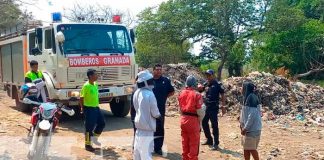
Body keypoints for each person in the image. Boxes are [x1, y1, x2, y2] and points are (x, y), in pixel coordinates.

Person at [133, 70, 161, 160]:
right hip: (147, 128)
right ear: (145, 82)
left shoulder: (136, 92)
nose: (152, 82)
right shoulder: (150, 94)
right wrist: (159, 117)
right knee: (146, 153)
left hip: (139, 126)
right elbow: (155, 113)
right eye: (150, 80)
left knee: (137, 151)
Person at [178, 75, 205, 160]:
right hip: (193, 120)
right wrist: (200, 120)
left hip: (183, 119)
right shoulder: (197, 95)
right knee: (194, 144)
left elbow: (179, 109)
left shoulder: (181, 93)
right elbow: (200, 111)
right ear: (195, 84)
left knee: (185, 142)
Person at [80, 69, 106, 152]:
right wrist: (82, 108)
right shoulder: (86, 86)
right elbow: (81, 98)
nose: (97, 76)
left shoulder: (95, 84)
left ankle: (94, 139)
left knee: (102, 124)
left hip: (96, 108)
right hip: (89, 109)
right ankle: (88, 145)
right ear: (90, 76)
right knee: (89, 128)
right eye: (95, 74)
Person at [152, 64, 175, 155]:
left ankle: (158, 148)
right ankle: (150, 146)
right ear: (153, 70)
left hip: (161, 108)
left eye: (160, 70)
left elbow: (172, 91)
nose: (159, 71)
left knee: (160, 128)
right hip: (149, 109)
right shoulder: (149, 80)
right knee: (150, 128)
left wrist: (164, 97)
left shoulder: (165, 81)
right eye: (157, 69)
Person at [201, 69, 226, 150]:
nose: (208, 77)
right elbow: (200, 90)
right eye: (207, 75)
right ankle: (209, 139)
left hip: (213, 107)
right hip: (206, 107)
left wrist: (223, 106)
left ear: (213, 75)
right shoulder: (206, 84)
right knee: (204, 122)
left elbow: (222, 95)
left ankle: (216, 143)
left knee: (214, 125)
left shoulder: (218, 84)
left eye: (209, 75)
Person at [240, 81, 262, 160]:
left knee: (251, 149)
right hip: (250, 128)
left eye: (242, 87)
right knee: (246, 148)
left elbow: (252, 115)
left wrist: (245, 128)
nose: (241, 89)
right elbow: (245, 113)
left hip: (252, 129)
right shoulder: (247, 97)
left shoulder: (251, 98)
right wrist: (241, 124)